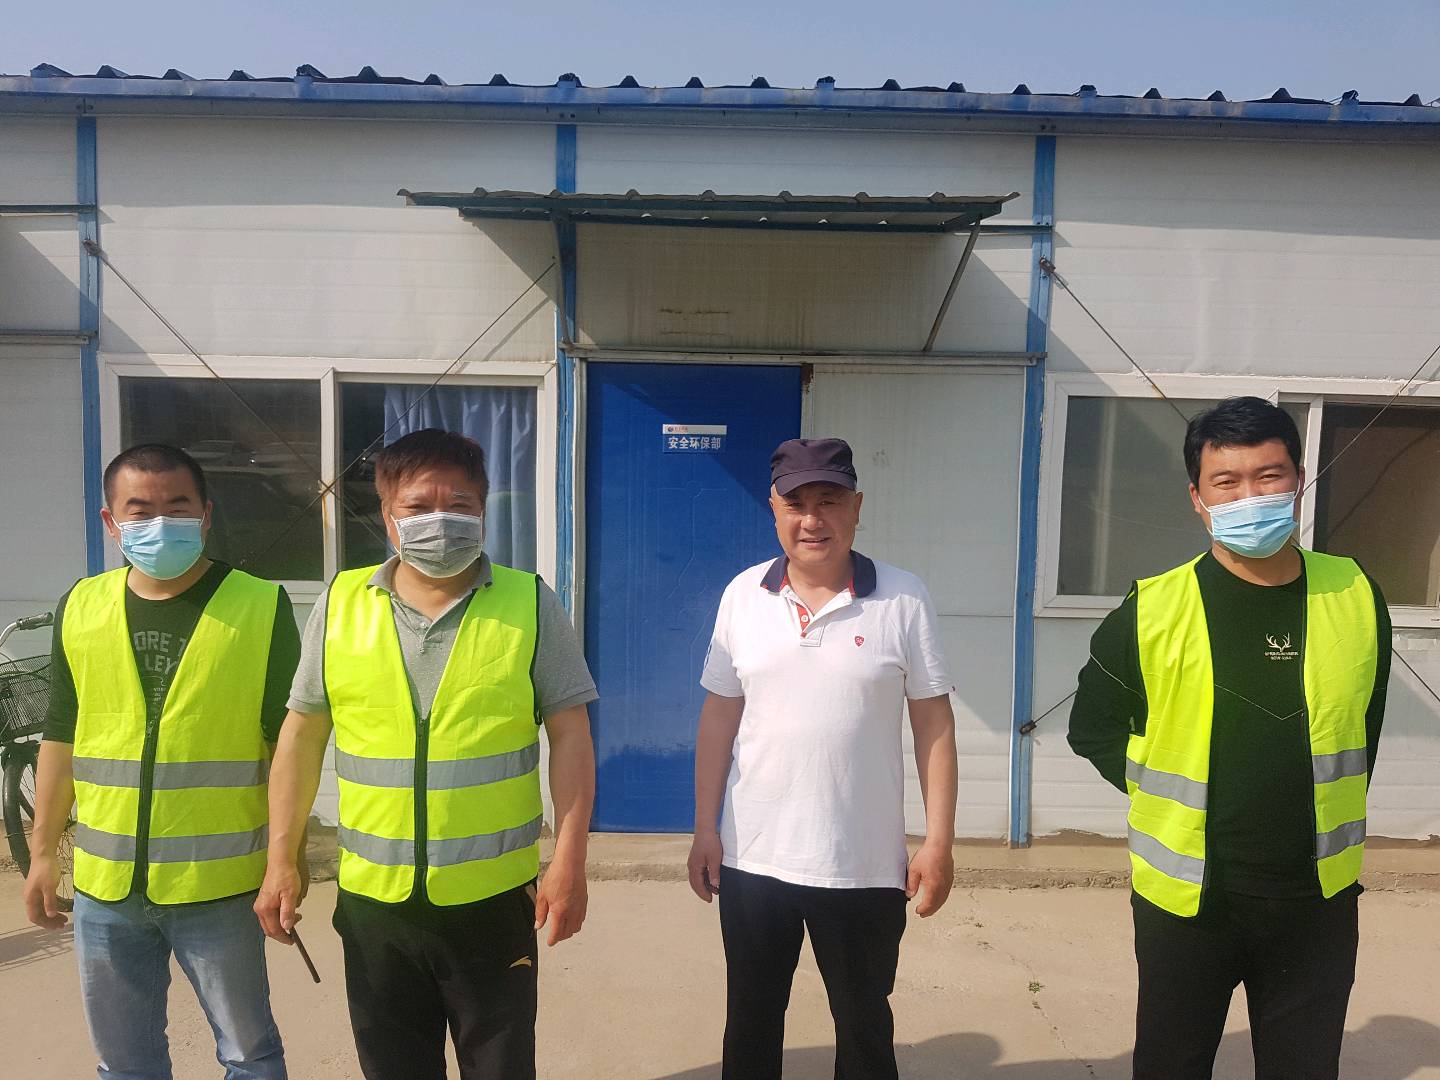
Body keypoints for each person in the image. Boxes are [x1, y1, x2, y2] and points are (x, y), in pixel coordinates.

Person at [255, 428, 597, 1080]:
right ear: (388, 516)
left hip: (493, 900)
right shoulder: (341, 604)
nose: (440, 520)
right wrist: (280, 860)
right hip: (373, 905)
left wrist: (569, 860)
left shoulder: (529, 602)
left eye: (459, 504)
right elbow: (300, 739)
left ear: (483, 510)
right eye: (418, 506)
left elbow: (572, 735)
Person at [1067, 396, 1391, 1080]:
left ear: (1298, 479)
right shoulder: (1151, 610)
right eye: (1227, 482)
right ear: (1198, 498)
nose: (1250, 496)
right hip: (1188, 905)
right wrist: (1161, 791)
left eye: (1269, 476)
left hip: (1316, 902)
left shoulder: (1356, 595)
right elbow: (1092, 730)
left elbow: (1366, 727)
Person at [687, 437, 959, 1080]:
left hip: (863, 866)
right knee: (750, 1025)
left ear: (856, 507)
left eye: (829, 501)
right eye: (797, 503)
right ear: (774, 510)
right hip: (755, 859)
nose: (813, 520)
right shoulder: (743, 595)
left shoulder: (902, 598)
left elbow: (934, 723)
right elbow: (720, 715)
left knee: (864, 1030)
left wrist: (938, 842)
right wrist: (704, 828)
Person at [23, 443, 299, 1079]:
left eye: (177, 507)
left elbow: (288, 746)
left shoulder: (259, 606)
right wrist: (42, 854)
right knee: (124, 1065)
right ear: (110, 521)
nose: (159, 523)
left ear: (206, 513)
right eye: (139, 510)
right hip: (106, 885)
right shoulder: (81, 606)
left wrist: (285, 862)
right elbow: (61, 736)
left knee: (249, 1055)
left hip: (218, 884)